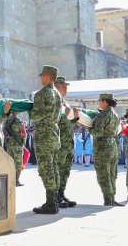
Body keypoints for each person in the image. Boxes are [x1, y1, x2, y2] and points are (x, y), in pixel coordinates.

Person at [30, 65, 63, 214]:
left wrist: (31, 110)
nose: (41, 78)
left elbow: (36, 115)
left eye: (43, 75)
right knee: (54, 168)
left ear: (49, 77)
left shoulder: (42, 94)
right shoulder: (57, 93)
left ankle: (51, 203)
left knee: (46, 169)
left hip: (44, 135)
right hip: (54, 133)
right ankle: (54, 199)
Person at [91, 93, 122, 207]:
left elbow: (96, 132)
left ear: (105, 102)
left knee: (103, 175)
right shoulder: (115, 114)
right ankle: (112, 198)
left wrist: (89, 127)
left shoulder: (103, 115)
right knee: (112, 174)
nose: (98, 102)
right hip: (113, 145)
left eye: (100, 101)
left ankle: (108, 200)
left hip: (103, 147)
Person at [53, 76, 78, 208]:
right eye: (64, 86)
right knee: (58, 170)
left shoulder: (66, 103)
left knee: (65, 171)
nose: (66, 88)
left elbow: (68, 124)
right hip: (59, 143)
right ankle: (55, 197)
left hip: (68, 143)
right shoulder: (54, 102)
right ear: (56, 86)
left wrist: (75, 118)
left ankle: (61, 193)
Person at [3, 109, 26, 187]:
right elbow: (23, 133)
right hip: (17, 146)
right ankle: (16, 180)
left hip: (9, 145)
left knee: (10, 163)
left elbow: (4, 133)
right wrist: (23, 143)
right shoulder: (18, 121)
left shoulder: (6, 122)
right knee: (18, 164)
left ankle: (9, 179)